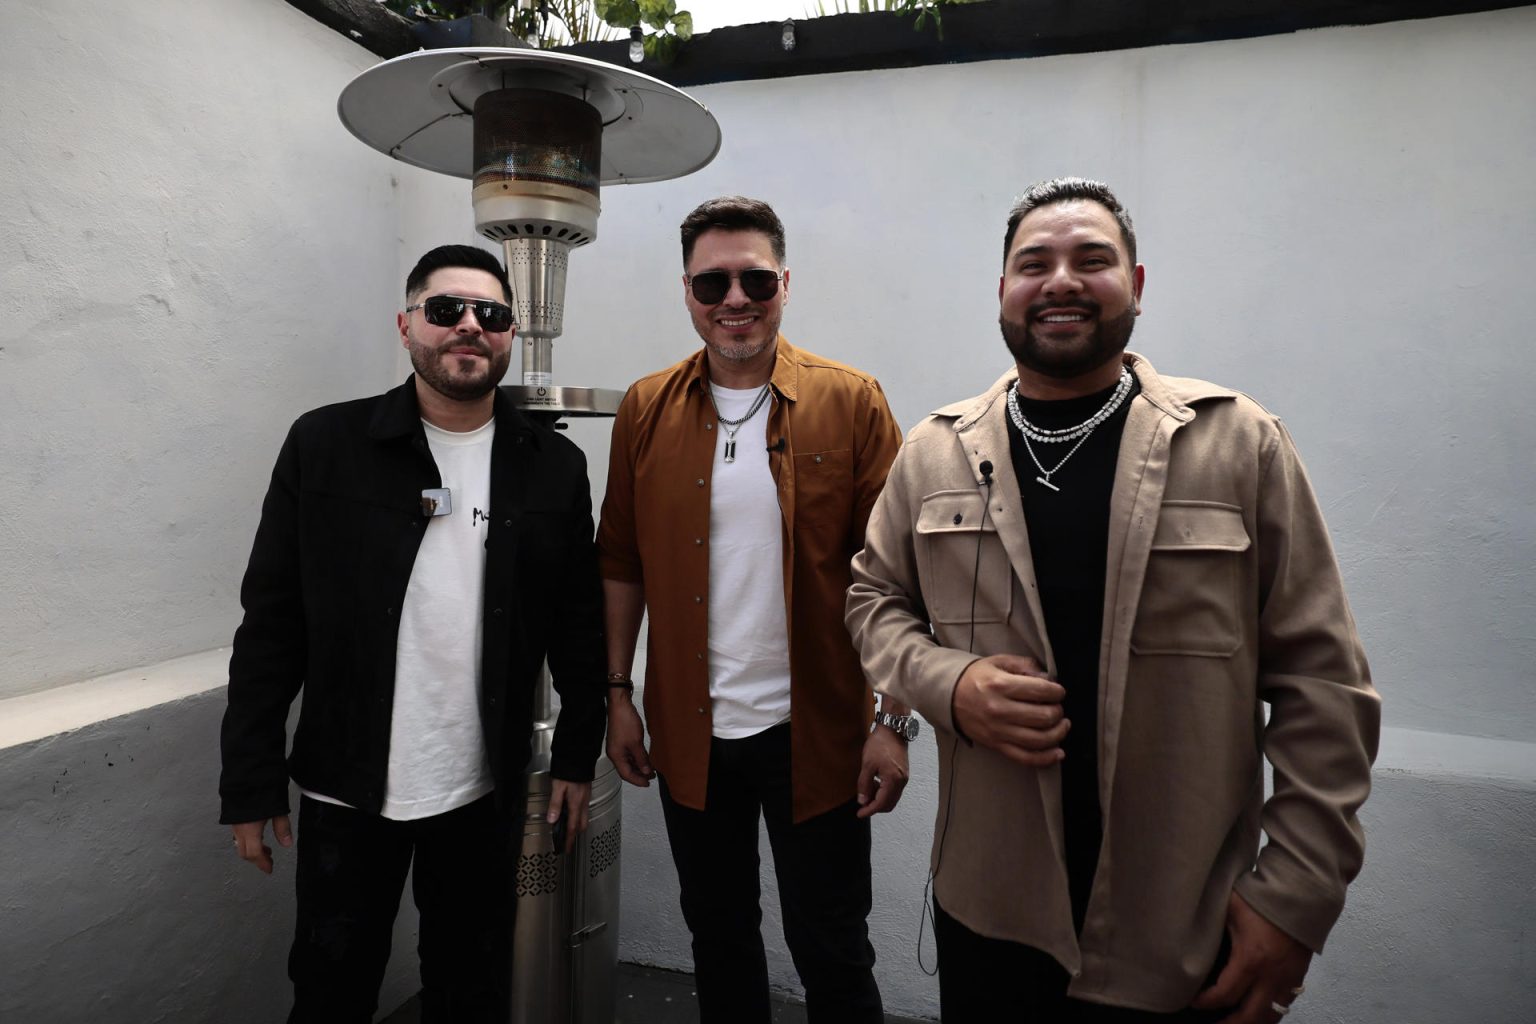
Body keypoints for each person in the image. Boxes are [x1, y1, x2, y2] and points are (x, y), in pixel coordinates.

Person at [845, 178, 1380, 1023]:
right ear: (1002, 293)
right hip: (990, 916)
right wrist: (948, 685)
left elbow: (1326, 689)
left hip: (1180, 931)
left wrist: (1294, 898)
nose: (1060, 280)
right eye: (1035, 263)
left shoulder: (1238, 444)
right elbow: (874, 599)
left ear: (1135, 284)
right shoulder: (934, 452)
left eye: (1091, 260)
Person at [218, 244, 606, 1023]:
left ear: (507, 336)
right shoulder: (326, 446)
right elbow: (272, 622)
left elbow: (577, 623)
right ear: (406, 326)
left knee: (472, 991)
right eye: (446, 309)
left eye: (491, 315)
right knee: (332, 990)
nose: (469, 326)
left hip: (478, 789)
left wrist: (576, 758)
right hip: (345, 787)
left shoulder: (552, 466)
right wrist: (251, 781)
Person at [597, 195, 910, 1023]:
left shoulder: (854, 402)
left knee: (834, 946)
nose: (734, 299)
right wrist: (617, 694)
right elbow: (620, 561)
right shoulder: (645, 408)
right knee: (720, 940)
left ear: (784, 284)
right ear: (688, 292)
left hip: (821, 733)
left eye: (755, 279)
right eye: (713, 283)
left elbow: (902, 578)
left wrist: (893, 718)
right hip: (692, 731)